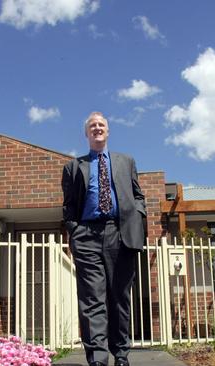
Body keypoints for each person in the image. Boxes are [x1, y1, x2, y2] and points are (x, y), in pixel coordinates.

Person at [61, 111, 146, 366]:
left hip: (120, 233)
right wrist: (75, 231)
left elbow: (138, 195)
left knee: (120, 295)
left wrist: (138, 216)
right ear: (86, 133)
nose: (97, 128)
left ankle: (120, 354)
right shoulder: (74, 166)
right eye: (92, 126)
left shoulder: (126, 161)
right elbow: (68, 206)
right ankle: (97, 358)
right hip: (86, 234)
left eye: (101, 125)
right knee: (91, 298)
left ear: (107, 132)